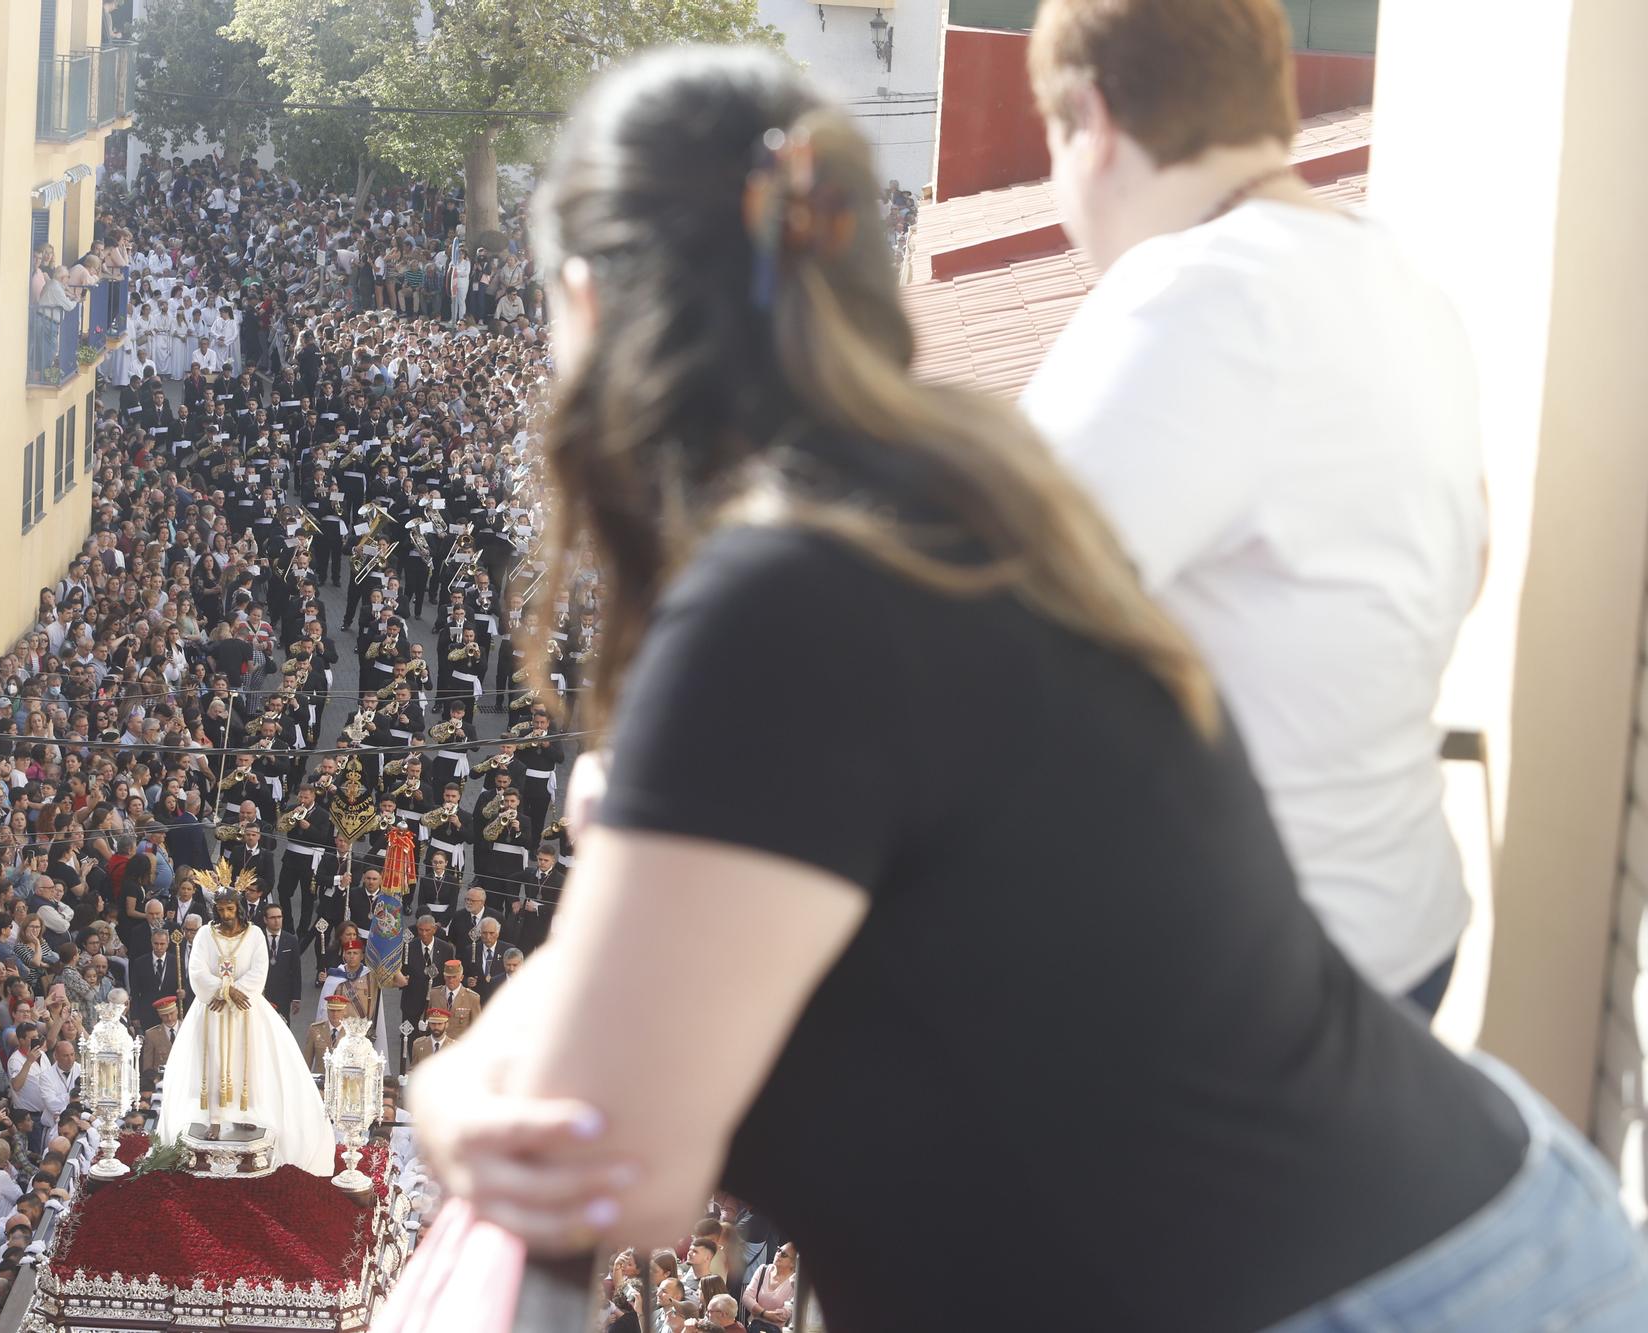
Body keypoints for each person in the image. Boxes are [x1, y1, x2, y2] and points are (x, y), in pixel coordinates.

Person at [397, 43, 1648, 1333]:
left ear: (588, 302)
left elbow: (616, 1152)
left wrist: (443, 1092)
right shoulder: (969, 481)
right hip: (1475, 1229)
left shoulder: (784, 598)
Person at [1018, 0, 1485, 1019]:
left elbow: (974, 616)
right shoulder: (1396, 278)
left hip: (1249, 980)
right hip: (1396, 924)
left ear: (1090, 120)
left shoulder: (1193, 297)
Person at [156, 891, 335, 1175]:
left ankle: (246, 1113)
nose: (226, 916)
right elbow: (197, 969)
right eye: (221, 910)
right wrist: (223, 990)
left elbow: (258, 970)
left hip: (246, 1012)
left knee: (249, 1061)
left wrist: (234, 992)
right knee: (212, 1063)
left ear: (239, 909)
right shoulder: (205, 934)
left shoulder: (254, 935)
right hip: (211, 1011)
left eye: (230, 909)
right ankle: (214, 1119)